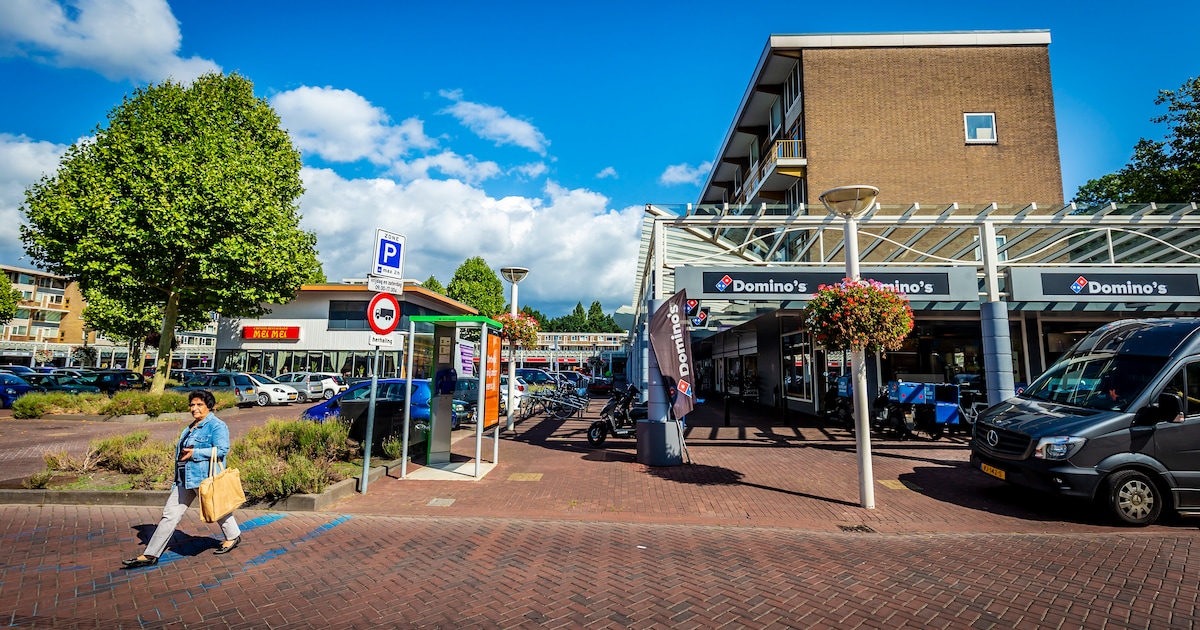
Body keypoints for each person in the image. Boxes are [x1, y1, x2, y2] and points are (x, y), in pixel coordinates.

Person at [122, 390, 242, 568]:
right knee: (169, 515)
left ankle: (233, 536)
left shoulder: (217, 426)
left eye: (199, 404)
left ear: (209, 406)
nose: (194, 408)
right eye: (192, 405)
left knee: (217, 508)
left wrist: (195, 453)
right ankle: (150, 554)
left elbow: (222, 449)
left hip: (204, 478)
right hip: (185, 478)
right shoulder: (190, 427)